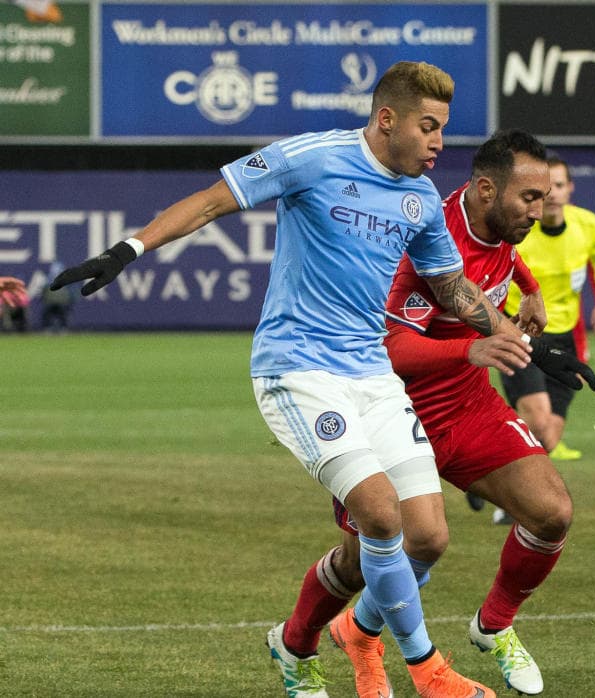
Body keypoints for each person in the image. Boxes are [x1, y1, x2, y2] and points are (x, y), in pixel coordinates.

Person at [49, 61, 534, 698]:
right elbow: (212, 201)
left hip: (372, 374)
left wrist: (515, 335)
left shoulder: (420, 199)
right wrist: (128, 249)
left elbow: (452, 287)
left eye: (442, 127)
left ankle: (295, 644)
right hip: (299, 370)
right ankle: (428, 670)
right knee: (380, 515)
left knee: (428, 535)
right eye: (428, 126)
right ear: (387, 119)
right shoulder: (314, 158)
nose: (439, 141)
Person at [271, 129, 595, 698]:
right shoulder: (426, 237)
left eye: (543, 197)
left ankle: (491, 626)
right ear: (486, 189)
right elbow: (391, 348)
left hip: (468, 406)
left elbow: (502, 257)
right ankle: (297, 642)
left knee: (552, 513)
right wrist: (470, 349)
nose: (539, 211)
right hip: (389, 410)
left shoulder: (499, 223)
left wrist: (530, 287)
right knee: (368, 559)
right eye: (529, 198)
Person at [500, 154, 595, 463]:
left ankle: (493, 459)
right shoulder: (517, 229)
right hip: (520, 333)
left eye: (558, 185)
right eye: (545, 188)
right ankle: (485, 464)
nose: (552, 194)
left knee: (549, 438)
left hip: (567, 335)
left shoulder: (590, 227)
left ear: (570, 187)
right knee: (538, 419)